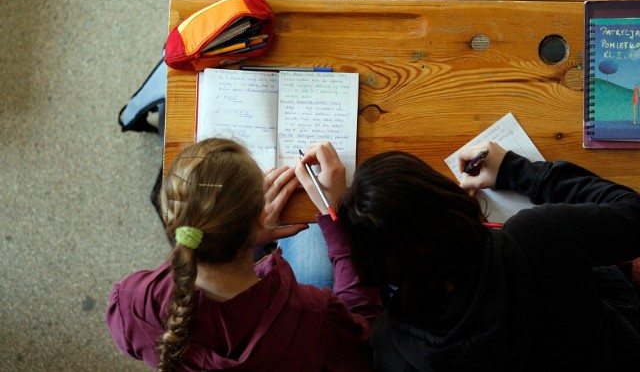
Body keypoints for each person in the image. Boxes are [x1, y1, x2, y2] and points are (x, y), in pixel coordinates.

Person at [319, 140, 640, 371]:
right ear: (449, 201)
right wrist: (518, 171)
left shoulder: (393, 348)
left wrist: (341, 216)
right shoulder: (537, 238)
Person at [105, 138, 382, 371]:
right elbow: (367, 342)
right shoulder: (314, 314)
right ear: (259, 217)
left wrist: (250, 237)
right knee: (311, 234)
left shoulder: (132, 302)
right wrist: (336, 218)